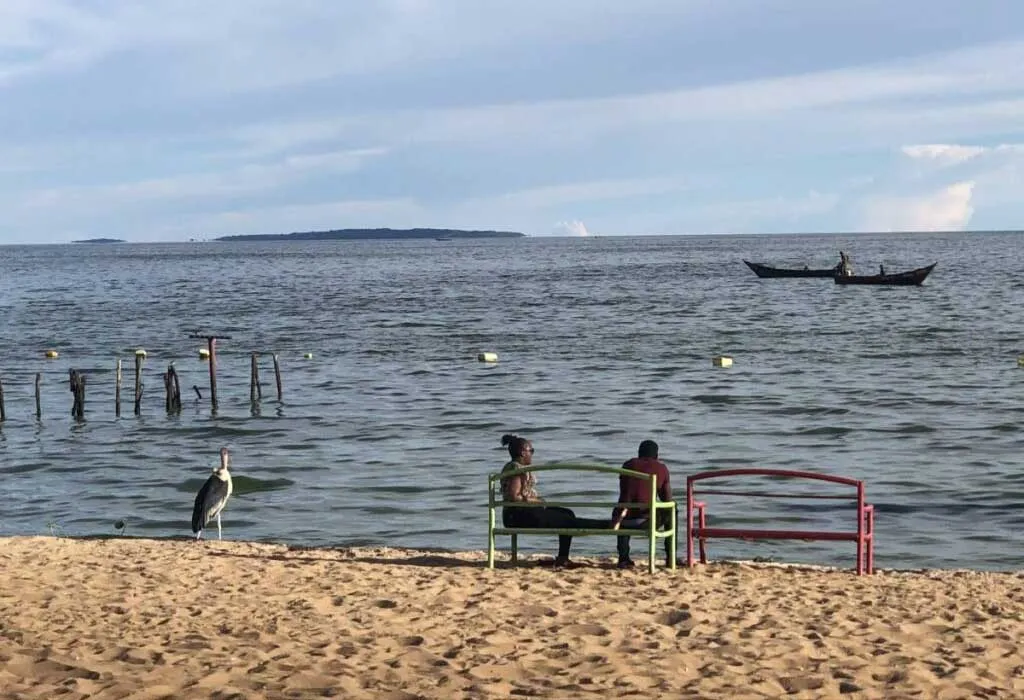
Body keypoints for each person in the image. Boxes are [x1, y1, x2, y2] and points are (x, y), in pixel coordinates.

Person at [499, 433, 595, 568]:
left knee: (567, 513)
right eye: (531, 450)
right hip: (517, 515)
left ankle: (563, 557)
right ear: (522, 452)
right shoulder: (515, 468)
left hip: (521, 512)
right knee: (566, 521)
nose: (532, 453)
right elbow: (514, 496)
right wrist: (537, 501)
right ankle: (603, 525)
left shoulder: (515, 467)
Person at [611, 439, 674, 569]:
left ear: (638, 453)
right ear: (657, 456)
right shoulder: (661, 468)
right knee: (673, 510)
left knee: (624, 507)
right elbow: (667, 500)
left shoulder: (628, 464)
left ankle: (623, 558)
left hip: (622, 520)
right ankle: (670, 557)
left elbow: (625, 491)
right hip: (645, 521)